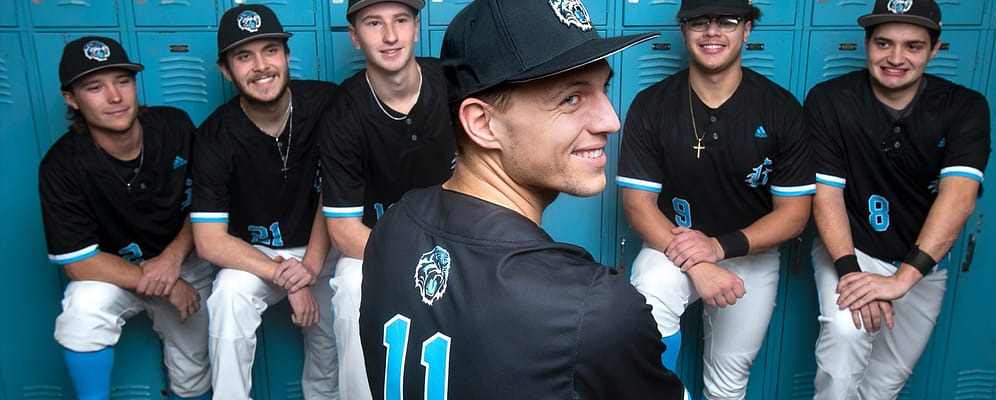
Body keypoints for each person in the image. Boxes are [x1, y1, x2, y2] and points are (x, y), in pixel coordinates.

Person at [358, 0, 684, 398]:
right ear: (483, 123)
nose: (611, 121)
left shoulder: (391, 227)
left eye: (604, 89)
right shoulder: (591, 308)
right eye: (571, 99)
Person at [616, 0, 816, 398]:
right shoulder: (653, 105)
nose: (712, 31)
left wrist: (718, 248)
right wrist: (699, 262)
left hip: (749, 253)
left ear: (747, 29)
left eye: (726, 21)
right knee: (651, 295)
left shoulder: (780, 109)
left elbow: (794, 215)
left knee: (728, 382)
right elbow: (638, 205)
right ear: (683, 29)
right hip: (672, 245)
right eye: (699, 21)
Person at [805, 0, 990, 398]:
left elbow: (959, 199)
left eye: (913, 46)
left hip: (922, 263)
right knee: (843, 343)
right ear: (867, 44)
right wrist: (851, 273)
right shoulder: (830, 99)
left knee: (886, 382)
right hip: (851, 249)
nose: (895, 58)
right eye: (884, 43)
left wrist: (902, 279)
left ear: (935, 49)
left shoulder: (964, 106)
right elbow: (826, 194)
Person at [39, 36, 212, 400]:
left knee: (193, 370)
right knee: (82, 312)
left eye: (122, 81)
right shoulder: (62, 165)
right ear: (72, 99)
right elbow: (79, 262)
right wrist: (167, 283)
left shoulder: (174, 127)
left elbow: (208, 204)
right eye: (94, 88)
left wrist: (172, 260)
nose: (114, 97)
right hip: (115, 271)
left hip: (184, 262)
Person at [190, 5, 340, 399]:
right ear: (226, 70)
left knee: (333, 334)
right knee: (228, 296)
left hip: (324, 244)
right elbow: (209, 241)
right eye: (244, 56)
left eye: (270, 50)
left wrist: (309, 267)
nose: (261, 66)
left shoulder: (326, 104)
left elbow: (339, 191)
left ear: (287, 56)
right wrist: (286, 276)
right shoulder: (214, 136)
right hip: (257, 256)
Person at [318, 0, 456, 398]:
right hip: (375, 245)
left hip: (455, 239)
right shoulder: (342, 114)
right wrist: (415, 263)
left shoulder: (452, 85)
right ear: (355, 37)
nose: (391, 36)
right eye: (374, 23)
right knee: (349, 284)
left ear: (417, 27)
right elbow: (343, 232)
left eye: (400, 20)